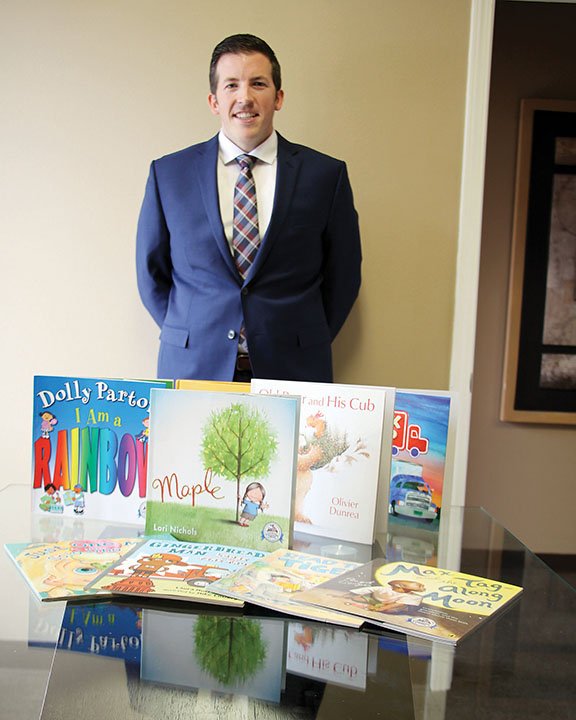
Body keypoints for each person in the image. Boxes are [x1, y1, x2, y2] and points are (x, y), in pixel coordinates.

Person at [136, 34, 362, 382]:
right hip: (195, 369)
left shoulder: (325, 176)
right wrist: (194, 333)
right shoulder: (169, 175)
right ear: (213, 101)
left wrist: (300, 339)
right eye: (231, 85)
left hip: (294, 371)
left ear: (278, 97)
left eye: (258, 83)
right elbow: (151, 274)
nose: (245, 97)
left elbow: (343, 277)